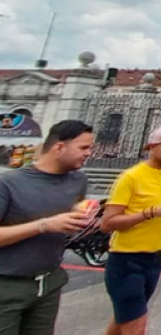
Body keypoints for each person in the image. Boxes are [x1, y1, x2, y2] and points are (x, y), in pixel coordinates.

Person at [0, 120, 93, 335]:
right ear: (59, 147)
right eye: (84, 147)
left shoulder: (78, 181)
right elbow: (50, 224)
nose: (89, 153)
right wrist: (44, 225)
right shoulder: (9, 184)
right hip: (6, 286)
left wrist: (87, 223)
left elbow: (67, 228)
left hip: (49, 284)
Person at [100, 125, 161, 335]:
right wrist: (149, 212)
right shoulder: (131, 177)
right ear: (152, 146)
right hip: (127, 260)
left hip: (157, 255)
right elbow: (108, 223)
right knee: (136, 325)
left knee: (124, 319)